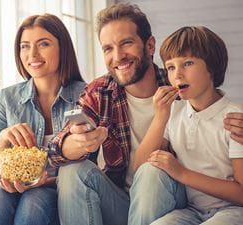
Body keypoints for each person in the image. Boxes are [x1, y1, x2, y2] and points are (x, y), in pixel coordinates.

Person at [49, 3, 243, 225]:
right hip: (122, 200)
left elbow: (217, 106)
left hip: (172, 197)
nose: (118, 56)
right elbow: (55, 151)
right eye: (108, 49)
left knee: (153, 169)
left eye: (126, 43)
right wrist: (73, 142)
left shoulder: (181, 90)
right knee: (71, 170)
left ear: (149, 45)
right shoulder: (100, 91)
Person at [0, 14, 85, 225]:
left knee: (34, 200)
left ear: (62, 48)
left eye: (43, 44)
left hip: (59, 191)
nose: (32, 54)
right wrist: (1, 142)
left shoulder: (86, 96)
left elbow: (90, 172)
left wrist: (42, 182)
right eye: (24, 46)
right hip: (11, 190)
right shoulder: (6, 100)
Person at [132, 26, 243, 225]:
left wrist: (181, 173)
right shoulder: (174, 112)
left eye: (188, 63)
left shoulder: (235, 118)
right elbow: (141, 168)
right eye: (171, 67)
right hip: (191, 211)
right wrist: (160, 117)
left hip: (232, 210)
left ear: (212, 67)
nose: (177, 75)